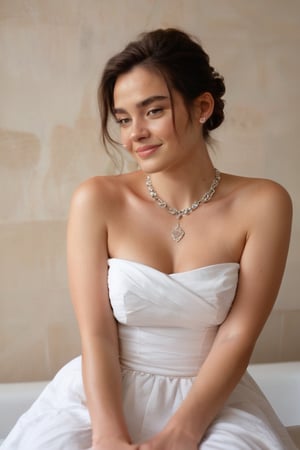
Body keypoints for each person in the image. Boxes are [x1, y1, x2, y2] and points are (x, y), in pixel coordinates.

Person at [1, 28, 297, 450]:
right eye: (123, 118)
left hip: (210, 400)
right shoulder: (97, 199)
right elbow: (98, 334)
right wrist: (107, 435)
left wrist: (183, 432)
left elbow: (238, 336)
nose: (133, 134)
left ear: (202, 107)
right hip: (103, 397)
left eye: (152, 111)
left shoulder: (264, 202)